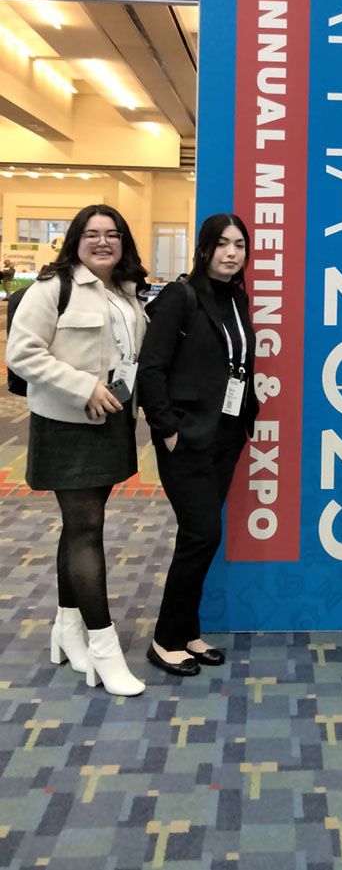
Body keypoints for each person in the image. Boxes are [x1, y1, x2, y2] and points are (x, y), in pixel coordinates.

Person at [6, 204, 149, 696]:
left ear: (124, 242)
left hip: (111, 423)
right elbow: (21, 353)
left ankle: (67, 629)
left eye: (113, 234)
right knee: (88, 532)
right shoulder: (53, 288)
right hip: (68, 424)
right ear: (76, 240)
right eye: (92, 235)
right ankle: (104, 649)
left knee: (79, 528)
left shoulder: (126, 293)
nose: (103, 242)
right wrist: (82, 386)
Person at [138, 213, 258, 677]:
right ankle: (165, 639)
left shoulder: (237, 298)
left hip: (225, 436)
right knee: (202, 534)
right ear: (204, 249)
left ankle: (187, 632)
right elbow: (151, 369)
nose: (232, 253)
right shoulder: (179, 297)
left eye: (240, 245)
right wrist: (167, 429)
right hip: (186, 437)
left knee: (200, 538)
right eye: (223, 244)